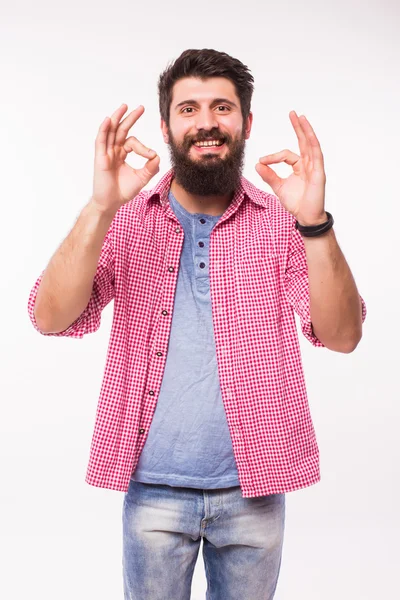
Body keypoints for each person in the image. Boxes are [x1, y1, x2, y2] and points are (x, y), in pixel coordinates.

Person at [28, 48, 366, 600]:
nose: (206, 123)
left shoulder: (283, 223)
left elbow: (343, 336)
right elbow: (49, 317)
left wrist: (314, 224)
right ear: (165, 125)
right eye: (188, 109)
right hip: (153, 494)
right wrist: (99, 207)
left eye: (222, 108)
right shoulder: (126, 218)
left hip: (255, 493)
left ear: (247, 123)